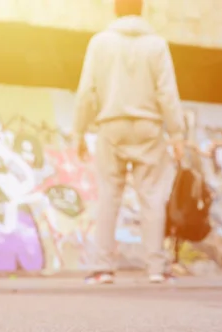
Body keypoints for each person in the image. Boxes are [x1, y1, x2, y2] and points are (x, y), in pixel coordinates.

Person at [72, 0, 187, 284]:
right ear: (141, 9)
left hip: (111, 126)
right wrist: (176, 133)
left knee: (109, 196)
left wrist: (79, 132)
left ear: (115, 9)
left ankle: (102, 269)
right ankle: (157, 269)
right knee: (151, 197)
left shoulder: (100, 43)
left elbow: (87, 91)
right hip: (149, 128)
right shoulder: (157, 45)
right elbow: (167, 93)